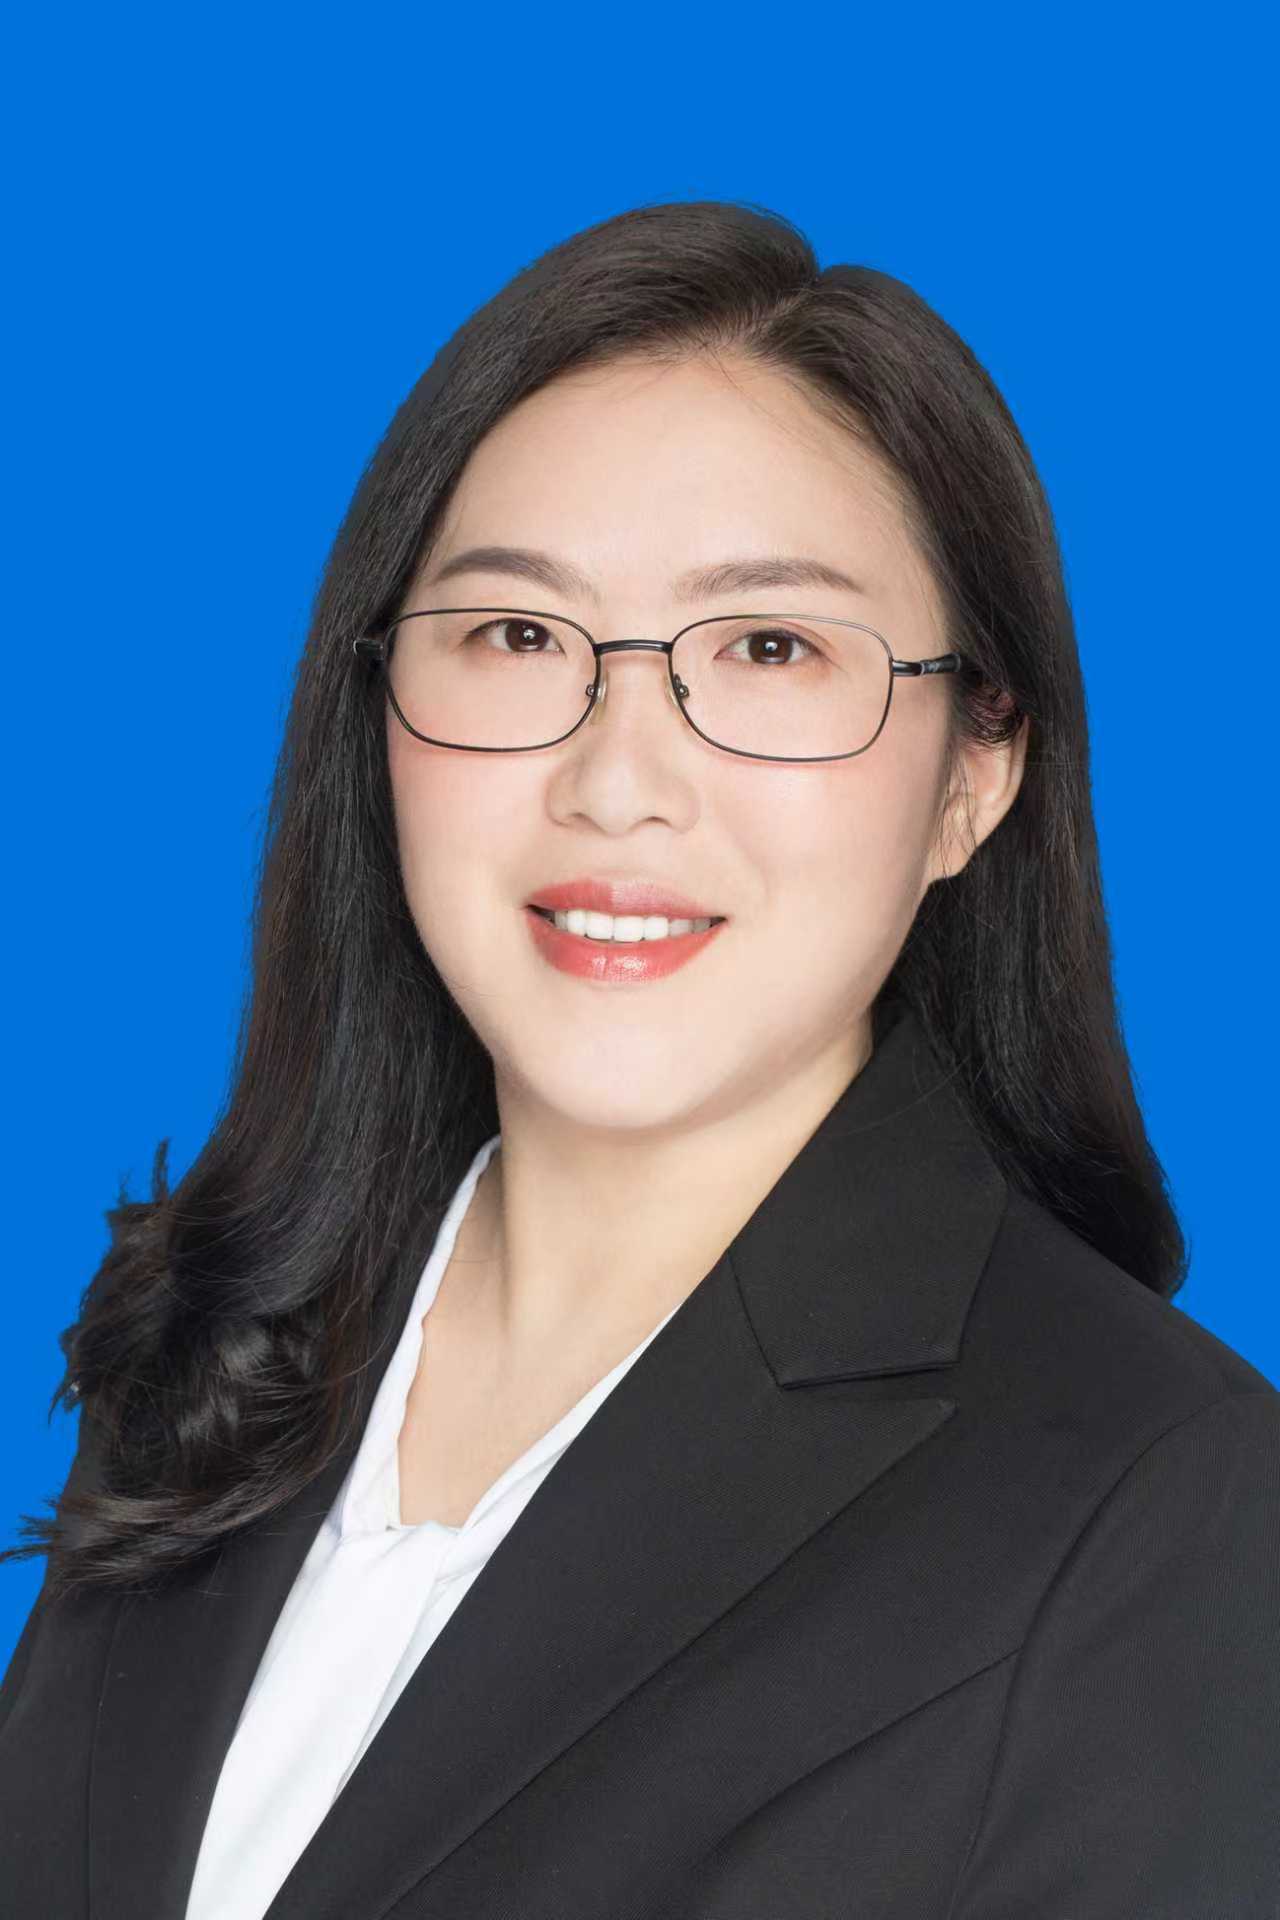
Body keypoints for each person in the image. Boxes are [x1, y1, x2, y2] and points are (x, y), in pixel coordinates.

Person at [1, 199, 1277, 1920]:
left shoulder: (1162, 1505)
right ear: (374, 708)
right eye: (520, 636)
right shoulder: (216, 1345)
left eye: (769, 650)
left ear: (975, 776)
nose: (616, 783)